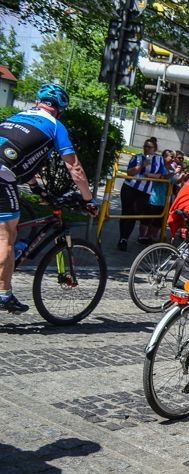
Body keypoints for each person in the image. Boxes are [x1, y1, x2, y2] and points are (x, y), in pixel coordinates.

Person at [0, 84, 98, 314]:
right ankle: (3, 295)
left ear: (37, 103)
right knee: (7, 236)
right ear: (60, 111)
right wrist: (88, 199)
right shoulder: (55, 126)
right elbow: (75, 168)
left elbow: (19, 155)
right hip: (2, 178)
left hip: (5, 173)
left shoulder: (17, 116)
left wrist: (36, 188)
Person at [120, 138, 166, 251]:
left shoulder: (159, 159)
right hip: (130, 187)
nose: (147, 149)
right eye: (145, 146)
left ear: (155, 149)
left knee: (134, 214)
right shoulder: (137, 157)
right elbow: (129, 172)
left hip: (144, 191)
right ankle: (123, 238)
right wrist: (141, 165)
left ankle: (125, 238)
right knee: (125, 213)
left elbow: (160, 175)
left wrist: (151, 175)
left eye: (149, 147)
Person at [141, 149, 174, 243]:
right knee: (147, 219)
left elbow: (174, 181)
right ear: (165, 157)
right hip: (154, 197)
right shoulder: (160, 167)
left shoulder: (171, 169)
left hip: (165, 199)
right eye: (171, 157)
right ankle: (141, 236)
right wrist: (174, 173)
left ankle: (148, 237)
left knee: (158, 221)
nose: (173, 159)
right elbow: (164, 177)